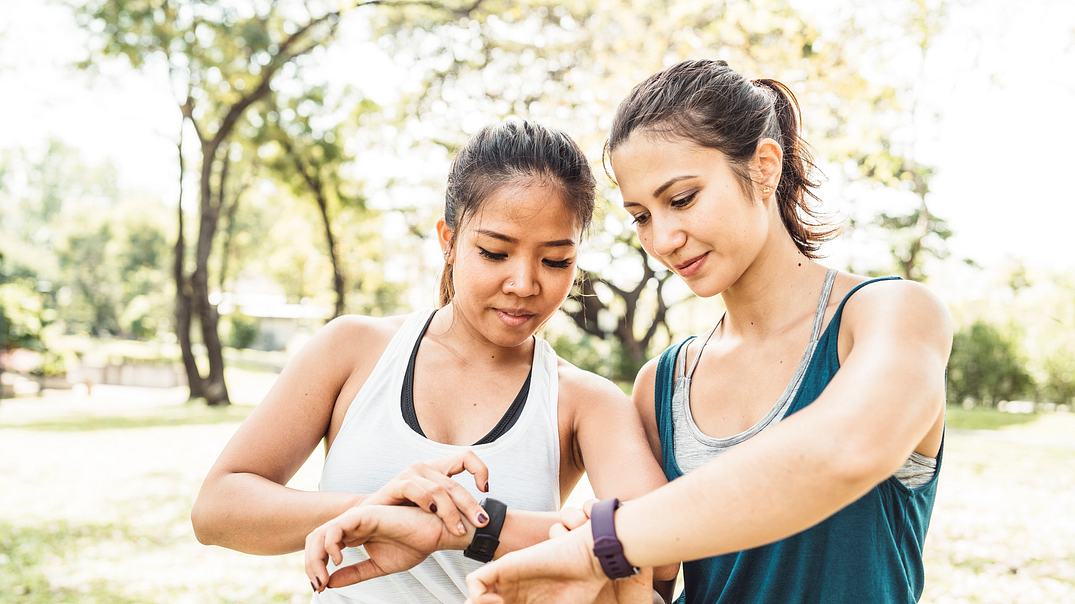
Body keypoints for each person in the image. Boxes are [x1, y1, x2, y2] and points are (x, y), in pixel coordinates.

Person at [453, 58, 952, 602]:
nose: (663, 238)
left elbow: (844, 450)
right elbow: (645, 574)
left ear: (764, 166)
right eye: (641, 216)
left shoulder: (890, 315)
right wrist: (462, 527)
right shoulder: (662, 385)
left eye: (683, 199)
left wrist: (599, 543)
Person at [191, 120, 675, 603]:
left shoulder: (584, 401)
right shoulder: (353, 349)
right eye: (494, 252)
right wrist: (378, 510)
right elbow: (217, 508)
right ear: (448, 240)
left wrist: (469, 526)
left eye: (555, 261)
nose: (525, 284)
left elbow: (661, 553)